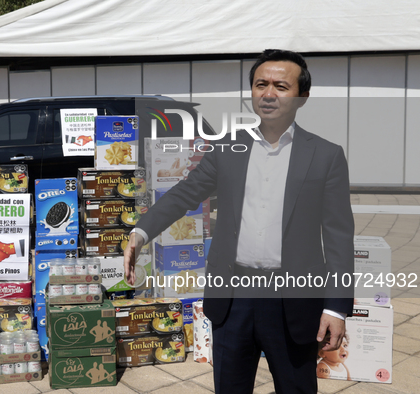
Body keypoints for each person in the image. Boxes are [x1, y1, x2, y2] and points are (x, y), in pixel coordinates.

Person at [124, 49, 354, 393]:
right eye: (261, 84)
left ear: (302, 96)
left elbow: (338, 235)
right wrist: (140, 233)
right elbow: (185, 193)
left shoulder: (325, 155)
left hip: (292, 298)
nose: (269, 93)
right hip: (233, 298)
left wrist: (336, 307)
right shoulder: (227, 148)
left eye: (281, 85)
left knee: (297, 387)